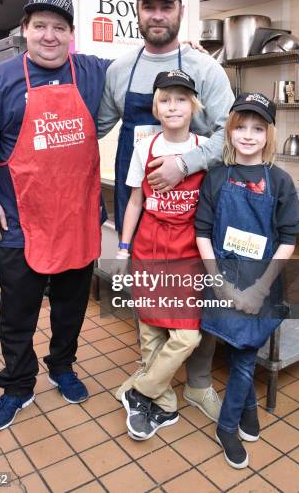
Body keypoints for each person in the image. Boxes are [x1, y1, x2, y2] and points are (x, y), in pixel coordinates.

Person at [0, 0, 111, 431]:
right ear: (25, 30)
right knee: (18, 313)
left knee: (71, 307)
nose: (49, 35)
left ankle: (62, 366)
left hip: (77, 216)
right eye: (40, 26)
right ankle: (17, 385)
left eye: (59, 27)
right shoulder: (3, 78)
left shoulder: (92, 71)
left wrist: (185, 52)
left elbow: (150, 69)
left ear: (71, 34)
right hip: (19, 221)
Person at [99, 0, 234, 421]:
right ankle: (155, 386)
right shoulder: (119, 70)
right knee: (151, 299)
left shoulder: (204, 68)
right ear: (137, 11)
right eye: (149, 6)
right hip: (141, 203)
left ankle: (195, 385)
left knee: (193, 303)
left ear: (179, 12)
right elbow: (98, 127)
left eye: (167, 6)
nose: (158, 15)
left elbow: (229, 135)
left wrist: (185, 164)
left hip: (194, 211)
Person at [195, 93, 299, 469]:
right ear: (231, 129)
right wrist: (220, 284)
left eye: (258, 128)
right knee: (240, 350)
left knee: (243, 356)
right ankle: (247, 415)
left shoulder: (279, 181)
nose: (248, 134)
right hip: (223, 278)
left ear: (269, 135)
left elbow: (288, 240)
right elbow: (203, 232)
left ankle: (227, 426)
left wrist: (258, 290)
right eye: (241, 126)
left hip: (262, 284)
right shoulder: (217, 176)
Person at [116, 69, 218, 439]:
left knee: (186, 335)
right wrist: (124, 247)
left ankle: (139, 391)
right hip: (148, 244)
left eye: (181, 99)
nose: (173, 106)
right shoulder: (145, 147)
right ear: (156, 108)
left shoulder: (206, 147)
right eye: (165, 99)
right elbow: (134, 201)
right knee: (150, 328)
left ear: (193, 106)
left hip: (188, 248)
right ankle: (165, 402)